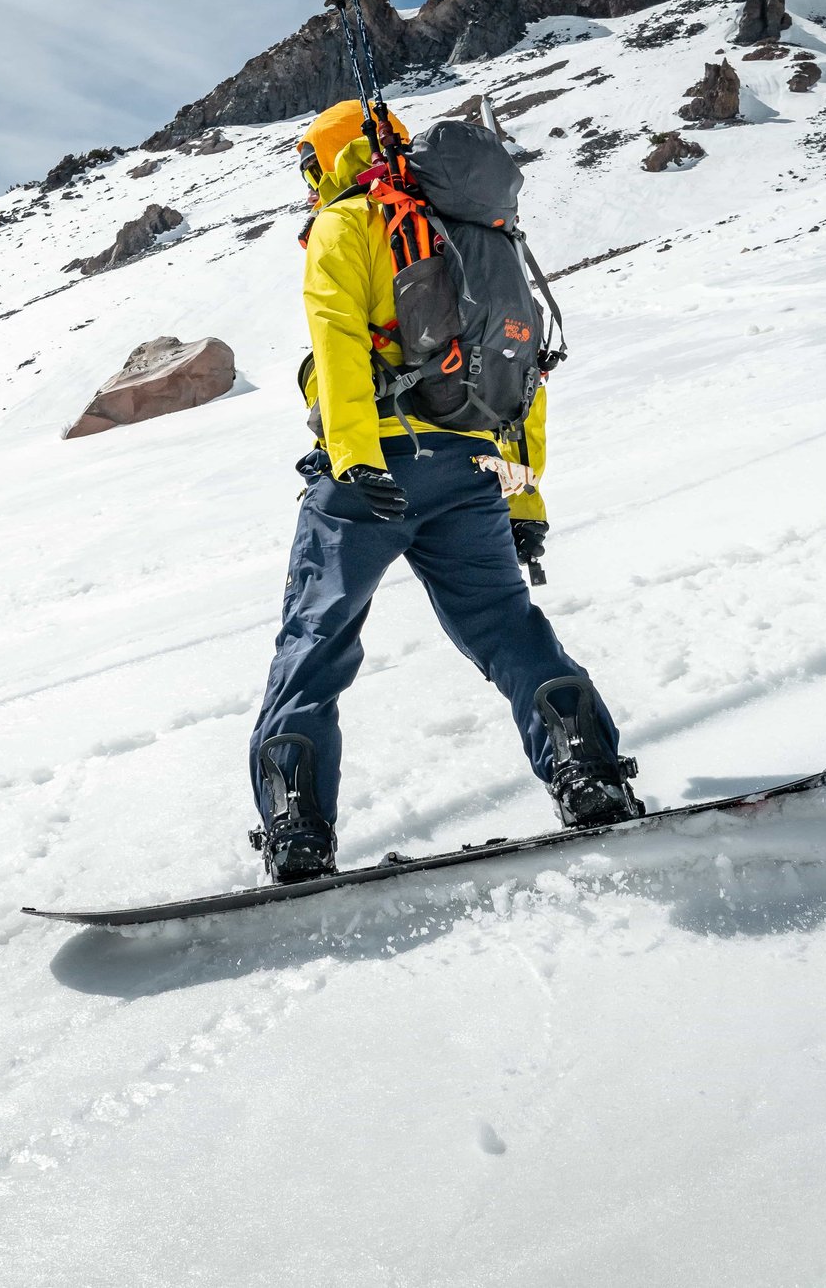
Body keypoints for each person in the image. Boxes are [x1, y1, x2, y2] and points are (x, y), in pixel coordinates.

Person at [244, 100, 642, 883]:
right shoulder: (475, 233)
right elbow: (520, 376)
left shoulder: (350, 221)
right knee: (505, 627)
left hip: (368, 479)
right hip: (469, 471)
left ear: (328, 156)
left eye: (307, 164)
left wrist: (358, 458)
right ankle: (584, 768)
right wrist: (523, 501)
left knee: (314, 645)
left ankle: (297, 828)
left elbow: (337, 345)